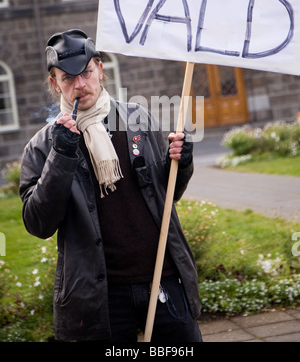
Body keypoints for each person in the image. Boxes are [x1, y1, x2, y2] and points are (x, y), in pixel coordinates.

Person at [19, 29, 202, 343]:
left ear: (100, 69)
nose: (80, 85)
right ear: (54, 83)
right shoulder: (42, 147)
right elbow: (38, 223)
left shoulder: (138, 120)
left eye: (87, 73)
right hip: (99, 297)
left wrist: (181, 163)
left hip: (163, 279)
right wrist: (61, 156)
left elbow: (167, 196)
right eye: (67, 78)